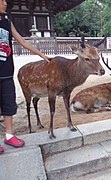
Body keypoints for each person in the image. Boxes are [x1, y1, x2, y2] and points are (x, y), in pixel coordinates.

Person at [0, 0, 49, 154]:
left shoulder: (7, 23)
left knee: (9, 105)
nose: (5, 3)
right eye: (1, 0)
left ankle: (8, 135)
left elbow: (22, 41)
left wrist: (41, 54)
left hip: (7, 73)